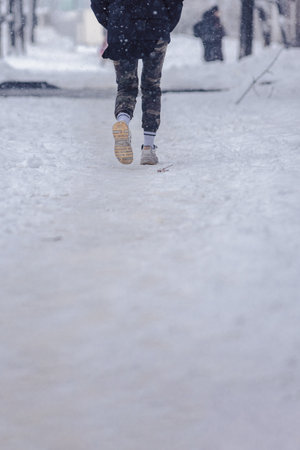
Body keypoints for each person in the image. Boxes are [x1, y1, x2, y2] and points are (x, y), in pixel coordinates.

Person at [91, 0, 184, 165]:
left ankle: (123, 122)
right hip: (155, 26)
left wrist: (113, 19)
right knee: (151, 86)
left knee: (126, 86)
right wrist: (165, 24)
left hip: (121, 27)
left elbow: (97, 4)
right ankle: (148, 148)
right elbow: (175, 3)